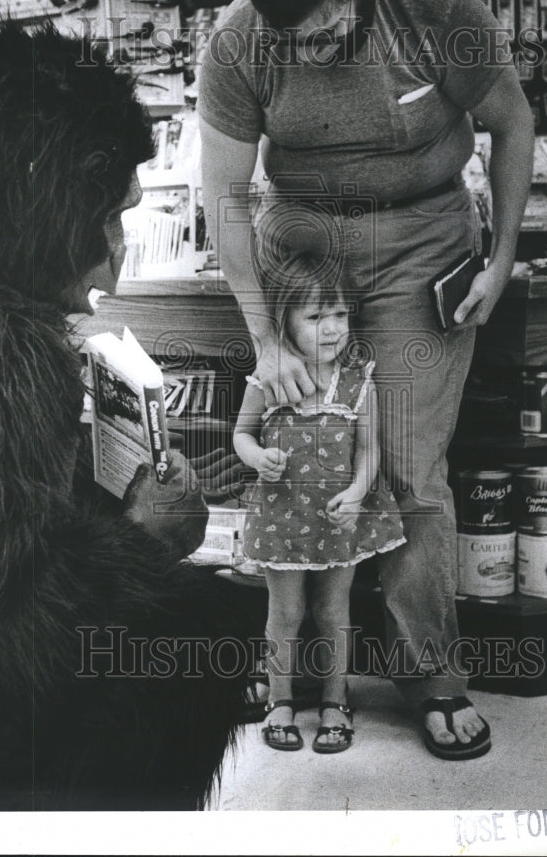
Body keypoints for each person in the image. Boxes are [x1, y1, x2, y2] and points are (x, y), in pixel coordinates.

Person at [0, 18, 256, 811]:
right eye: (112, 214)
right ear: (56, 207)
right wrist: (146, 538)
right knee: (210, 627)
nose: (119, 248)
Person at [199, 0, 535, 759]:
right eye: (288, 37)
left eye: (321, 31)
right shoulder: (238, 42)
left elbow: (510, 120)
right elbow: (226, 194)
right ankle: (295, 671)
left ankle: (433, 675)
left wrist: (499, 258)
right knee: (294, 447)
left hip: (422, 242)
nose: (304, 51)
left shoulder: (432, 2)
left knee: (410, 464)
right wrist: (265, 339)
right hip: (303, 251)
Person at [234, 254, 405, 753]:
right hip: (281, 519)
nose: (332, 328)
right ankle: (280, 700)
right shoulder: (268, 379)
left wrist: (357, 493)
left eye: (340, 314)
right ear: (283, 319)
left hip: (337, 520)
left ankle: (336, 700)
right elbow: (241, 434)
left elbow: (369, 450)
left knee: (333, 610)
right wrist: (256, 456)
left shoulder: (357, 381)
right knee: (285, 612)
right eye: (314, 316)